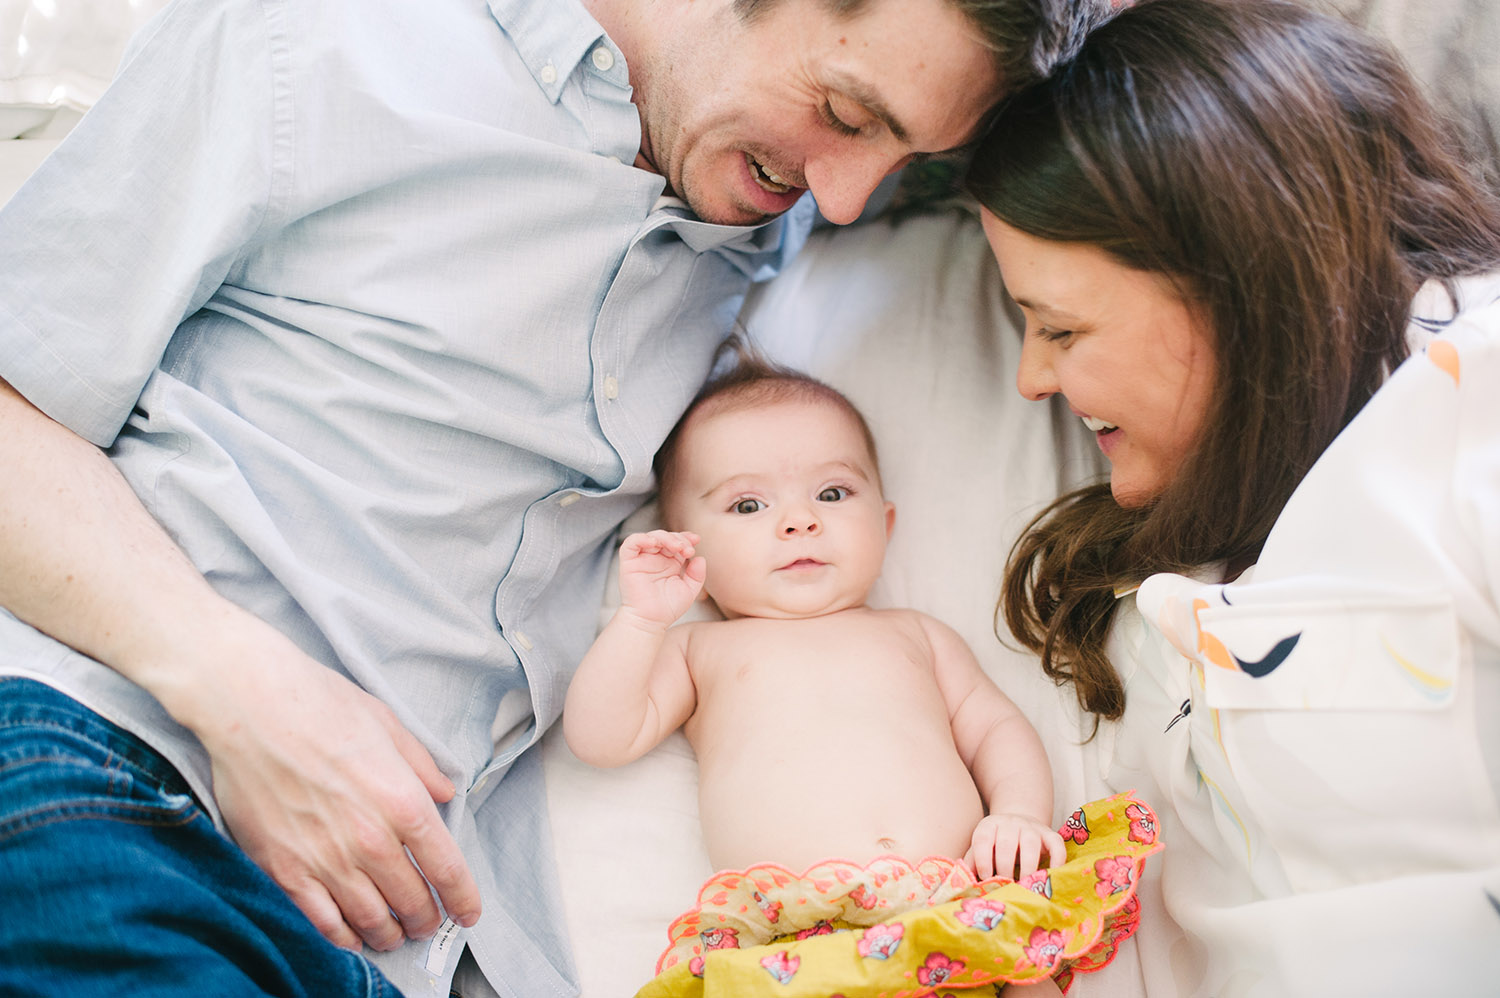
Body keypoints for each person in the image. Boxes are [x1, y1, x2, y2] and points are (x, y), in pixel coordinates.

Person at [0, 0, 1088, 993]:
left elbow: (1171, 118)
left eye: (907, 153)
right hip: (127, 782)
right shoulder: (325, 42)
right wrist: (240, 690)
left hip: (411, 944)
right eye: (845, 112)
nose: (845, 194)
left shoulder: (776, 188)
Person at [964, 0, 1500, 992]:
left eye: (1062, 328)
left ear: (1232, 284)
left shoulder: (1472, 409)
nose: (1032, 378)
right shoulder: (1149, 574)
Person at [563, 356, 1159, 995]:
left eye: (832, 493)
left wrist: (1015, 813)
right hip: (805, 945)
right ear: (686, 545)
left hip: (960, 902)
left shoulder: (914, 634)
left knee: (1028, 976)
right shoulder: (697, 651)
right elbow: (601, 737)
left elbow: (994, 729)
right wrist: (640, 620)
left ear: (885, 524)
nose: (800, 521)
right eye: (748, 503)